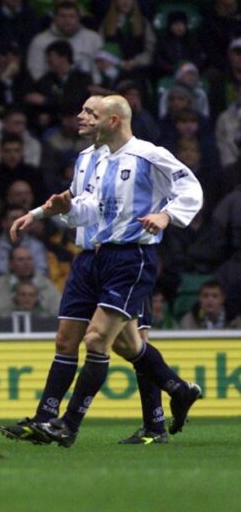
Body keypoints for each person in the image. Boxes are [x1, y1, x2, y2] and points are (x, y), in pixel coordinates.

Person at [26, 95, 204, 446]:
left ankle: (68, 425)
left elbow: (190, 186)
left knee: (96, 339)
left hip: (132, 258)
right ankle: (178, 390)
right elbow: (91, 208)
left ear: (113, 121)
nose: (80, 116)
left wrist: (167, 215)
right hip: (98, 257)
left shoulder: (148, 154)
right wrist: (58, 211)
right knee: (128, 345)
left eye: (91, 112)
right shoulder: (98, 160)